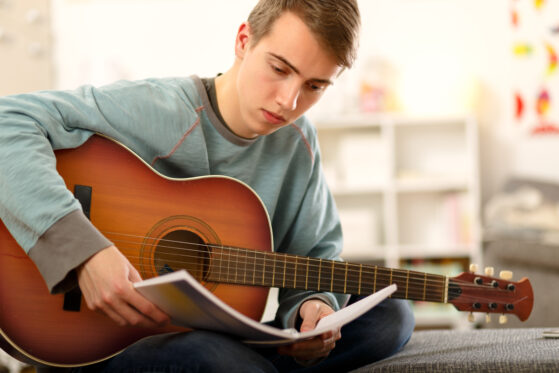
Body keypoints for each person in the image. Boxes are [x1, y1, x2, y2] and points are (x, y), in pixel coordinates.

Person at [0, 0, 414, 372]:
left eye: (315, 86)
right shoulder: (155, 109)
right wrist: (83, 254)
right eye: (279, 69)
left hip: (221, 340)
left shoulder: (297, 143)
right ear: (243, 40)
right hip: (101, 342)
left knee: (391, 315)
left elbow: (314, 255)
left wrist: (313, 309)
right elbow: (7, 121)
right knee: (209, 355)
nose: (289, 101)